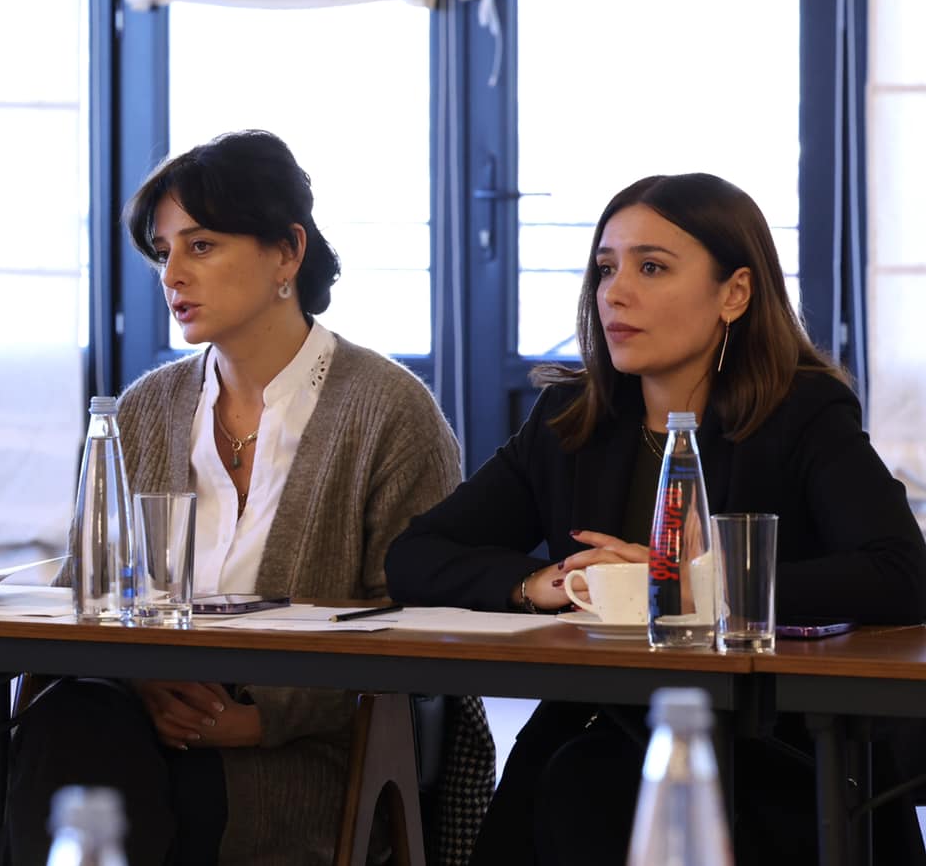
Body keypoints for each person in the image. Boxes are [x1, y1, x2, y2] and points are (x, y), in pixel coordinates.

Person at [385, 173, 926, 865]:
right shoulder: (569, 421)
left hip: (771, 754)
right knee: (578, 785)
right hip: (596, 729)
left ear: (734, 293)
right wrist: (546, 583)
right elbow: (416, 554)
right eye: (606, 268)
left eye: (651, 268)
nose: (615, 292)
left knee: (590, 792)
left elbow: (900, 574)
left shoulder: (803, 415)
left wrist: (689, 586)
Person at [6, 132, 478, 866]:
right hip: (132, 721)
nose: (173, 275)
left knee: (97, 767)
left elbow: (418, 628)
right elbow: (88, 590)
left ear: (287, 253)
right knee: (70, 720)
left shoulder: (390, 411)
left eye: (201, 246)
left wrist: (259, 720)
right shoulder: (145, 408)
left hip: (296, 759)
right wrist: (145, 682)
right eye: (163, 252)